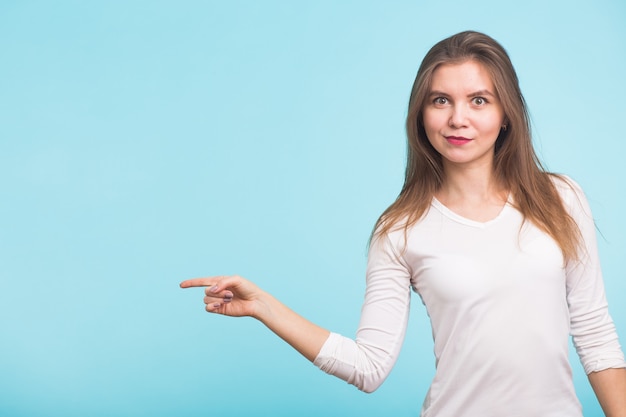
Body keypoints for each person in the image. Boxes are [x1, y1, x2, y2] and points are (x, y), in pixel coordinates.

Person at [180, 31, 626, 416]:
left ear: (505, 113)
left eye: (478, 100)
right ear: (421, 113)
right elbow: (368, 366)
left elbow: (594, 332)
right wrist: (264, 307)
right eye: (441, 100)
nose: (458, 118)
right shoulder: (402, 230)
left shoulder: (560, 198)